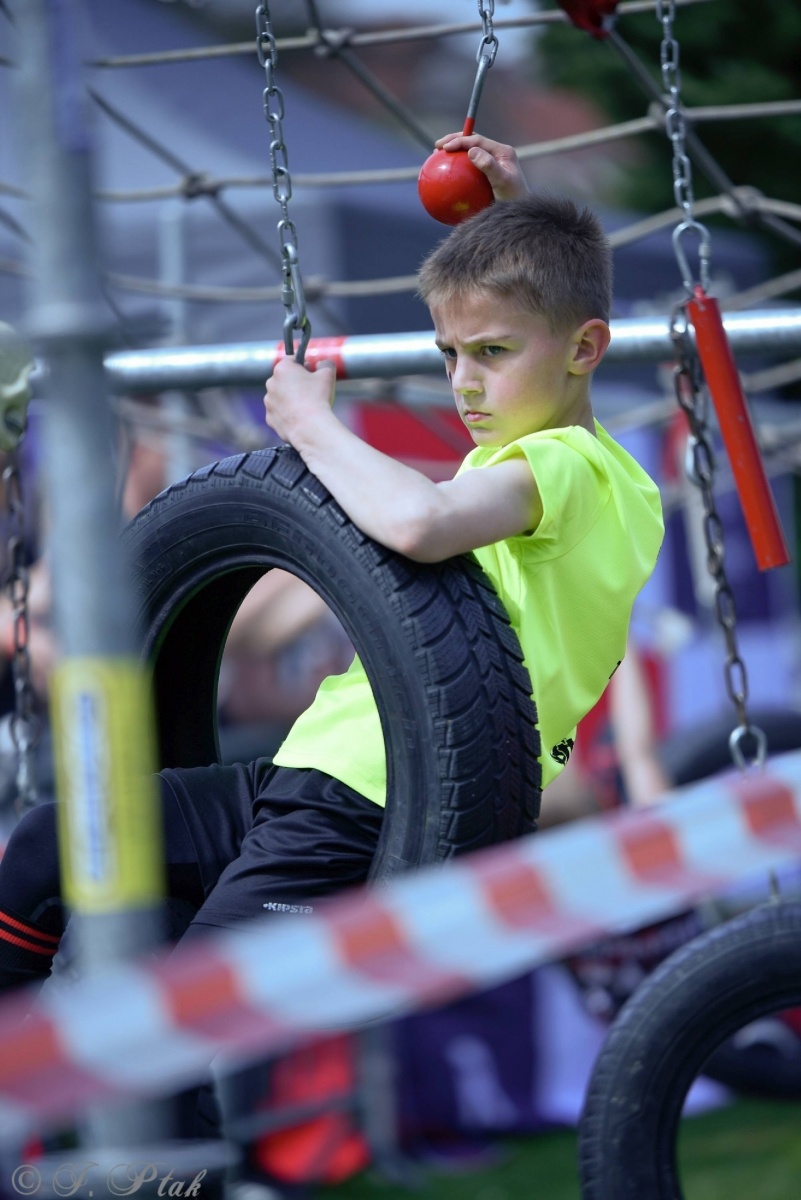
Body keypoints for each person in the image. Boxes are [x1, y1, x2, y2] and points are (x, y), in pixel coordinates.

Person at [0, 135, 664, 1003]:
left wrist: (309, 424)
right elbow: (547, 304)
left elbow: (419, 523)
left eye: (491, 355)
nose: (463, 382)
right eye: (449, 353)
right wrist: (513, 215)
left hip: (372, 802)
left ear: (585, 350)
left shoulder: (568, 465)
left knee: (188, 1012)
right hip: (309, 772)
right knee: (49, 842)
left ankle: (123, 1094)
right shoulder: (568, 463)